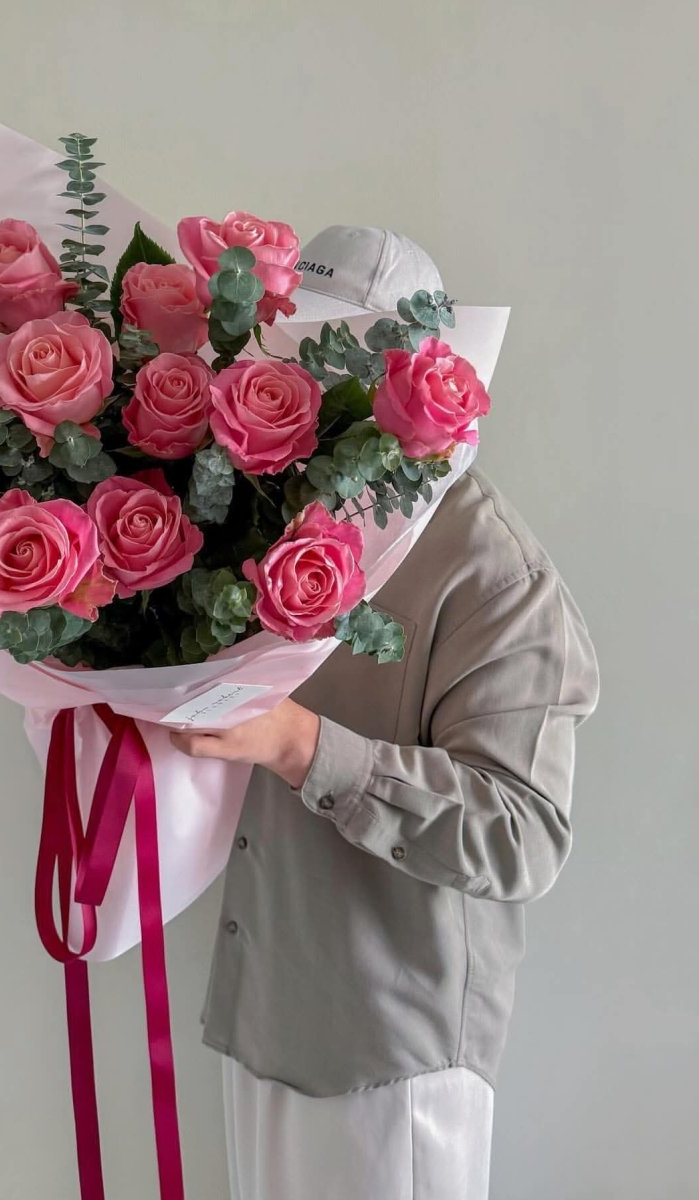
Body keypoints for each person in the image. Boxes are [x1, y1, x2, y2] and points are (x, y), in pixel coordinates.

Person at [170, 226, 601, 1200]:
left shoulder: (493, 573)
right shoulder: (270, 511)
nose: (316, 392)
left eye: (348, 362)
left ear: (417, 372)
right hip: (259, 1008)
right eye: (298, 359)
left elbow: (524, 837)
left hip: (390, 1053)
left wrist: (303, 746)